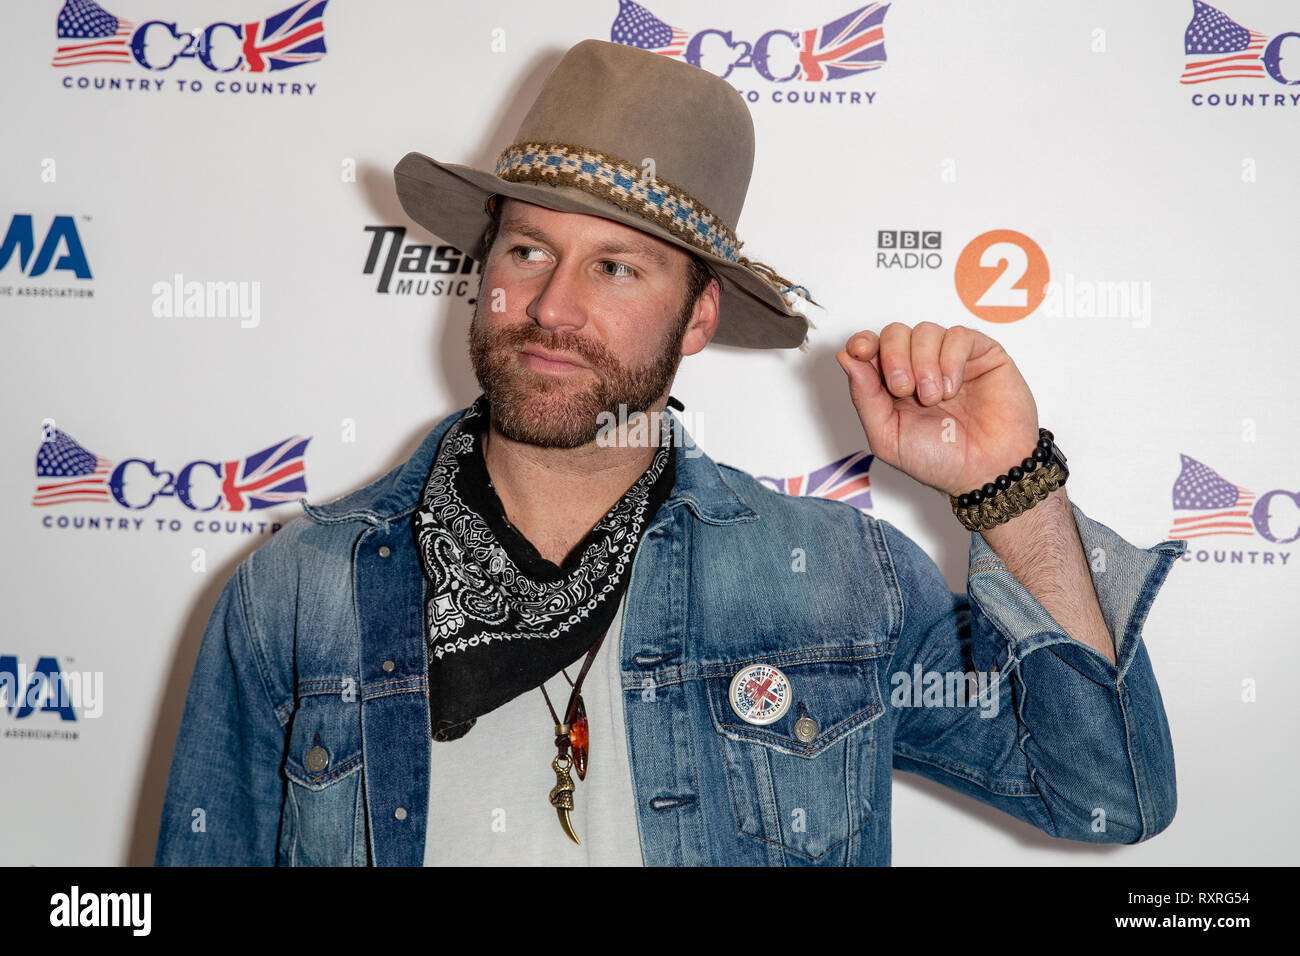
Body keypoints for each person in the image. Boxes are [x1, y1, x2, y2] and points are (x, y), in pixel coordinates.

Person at [154, 39, 1186, 866]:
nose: (552, 308)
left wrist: (1013, 496)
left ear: (698, 318)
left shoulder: (834, 581)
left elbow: (1107, 795)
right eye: (526, 251)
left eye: (614, 266)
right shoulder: (299, 590)